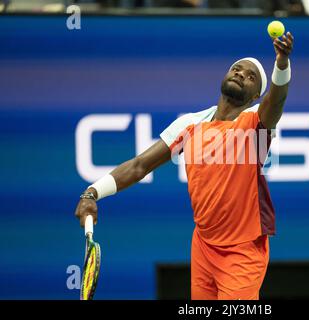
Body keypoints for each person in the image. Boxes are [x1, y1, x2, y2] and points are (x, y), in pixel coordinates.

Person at [75, 32, 294, 300]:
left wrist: (281, 62)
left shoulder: (255, 124)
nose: (240, 75)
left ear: (254, 97)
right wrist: (92, 193)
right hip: (203, 245)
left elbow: (277, 99)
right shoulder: (190, 124)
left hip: (243, 250)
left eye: (250, 77)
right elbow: (139, 166)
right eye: (236, 69)